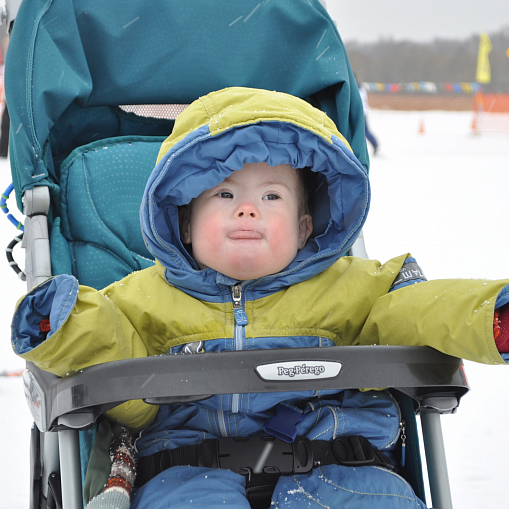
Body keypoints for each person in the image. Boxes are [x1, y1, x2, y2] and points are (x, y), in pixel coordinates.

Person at [12, 87, 509, 509]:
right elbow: (110, 346)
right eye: (224, 195)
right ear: (185, 223)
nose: (247, 209)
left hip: (340, 463)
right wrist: (62, 324)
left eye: (271, 196)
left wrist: (489, 318)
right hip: (189, 472)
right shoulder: (143, 298)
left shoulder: (357, 288)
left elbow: (419, 311)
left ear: (304, 226)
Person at [358, 81, 379, 155]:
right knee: (364, 131)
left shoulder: (356, 89)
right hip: (362, 112)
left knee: (365, 131)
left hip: (360, 113)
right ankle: (375, 145)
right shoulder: (361, 89)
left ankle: (375, 145)